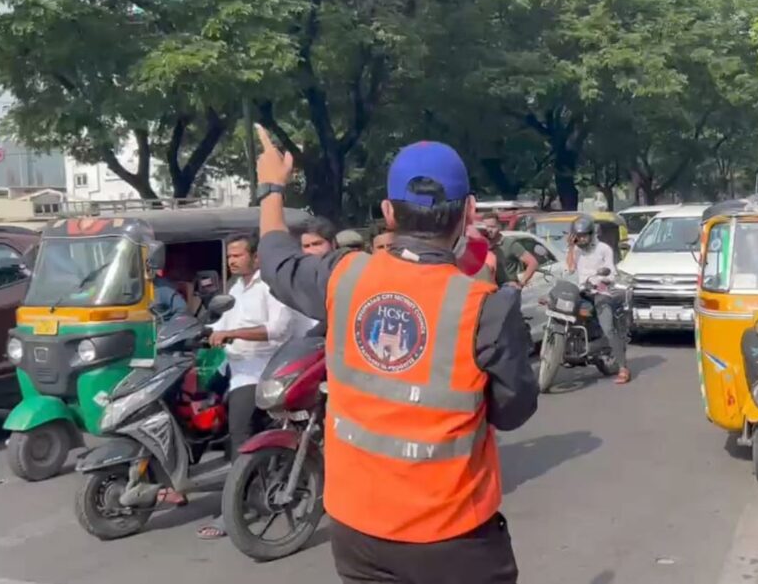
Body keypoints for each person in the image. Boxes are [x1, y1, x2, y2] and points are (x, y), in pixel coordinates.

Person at [254, 129, 536, 584]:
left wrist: (272, 187)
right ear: (469, 211)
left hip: (357, 535)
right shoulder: (485, 306)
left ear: (388, 212)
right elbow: (513, 411)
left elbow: (276, 261)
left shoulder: (343, 276)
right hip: (453, 538)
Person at [196, 231, 296, 539]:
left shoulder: (271, 287)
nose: (232, 261)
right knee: (194, 410)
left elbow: (278, 329)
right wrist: (194, 331)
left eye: (238, 255)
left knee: (239, 433)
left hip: (260, 369)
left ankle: (240, 505)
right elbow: (220, 326)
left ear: (256, 257)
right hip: (232, 366)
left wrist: (232, 334)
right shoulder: (235, 289)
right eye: (229, 256)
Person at [565, 215, 631, 384]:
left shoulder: (603, 249)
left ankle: (623, 367)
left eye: (584, 236)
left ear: (591, 234)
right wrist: (570, 248)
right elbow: (570, 269)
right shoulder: (576, 250)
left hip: (600, 292)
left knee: (607, 328)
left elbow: (611, 273)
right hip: (582, 291)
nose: (581, 239)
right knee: (565, 314)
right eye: (578, 236)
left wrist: (601, 281)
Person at [480, 213, 538, 288]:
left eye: (492, 227)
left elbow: (533, 263)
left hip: (506, 287)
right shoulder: (480, 245)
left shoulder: (509, 244)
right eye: (486, 227)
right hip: (487, 288)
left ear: (499, 226)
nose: (489, 230)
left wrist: (521, 283)